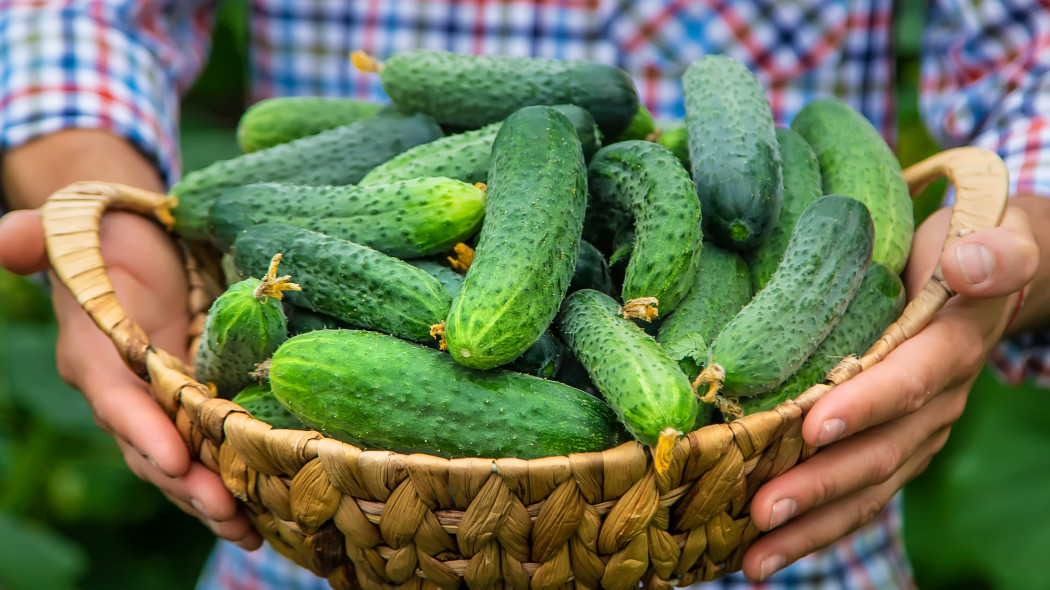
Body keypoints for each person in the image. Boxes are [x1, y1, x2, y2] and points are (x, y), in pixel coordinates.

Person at [0, 1, 1045, 588]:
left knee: (659, 264)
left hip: (784, 516)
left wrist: (1009, 245)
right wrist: (103, 209)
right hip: (336, 538)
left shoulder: (693, 212)